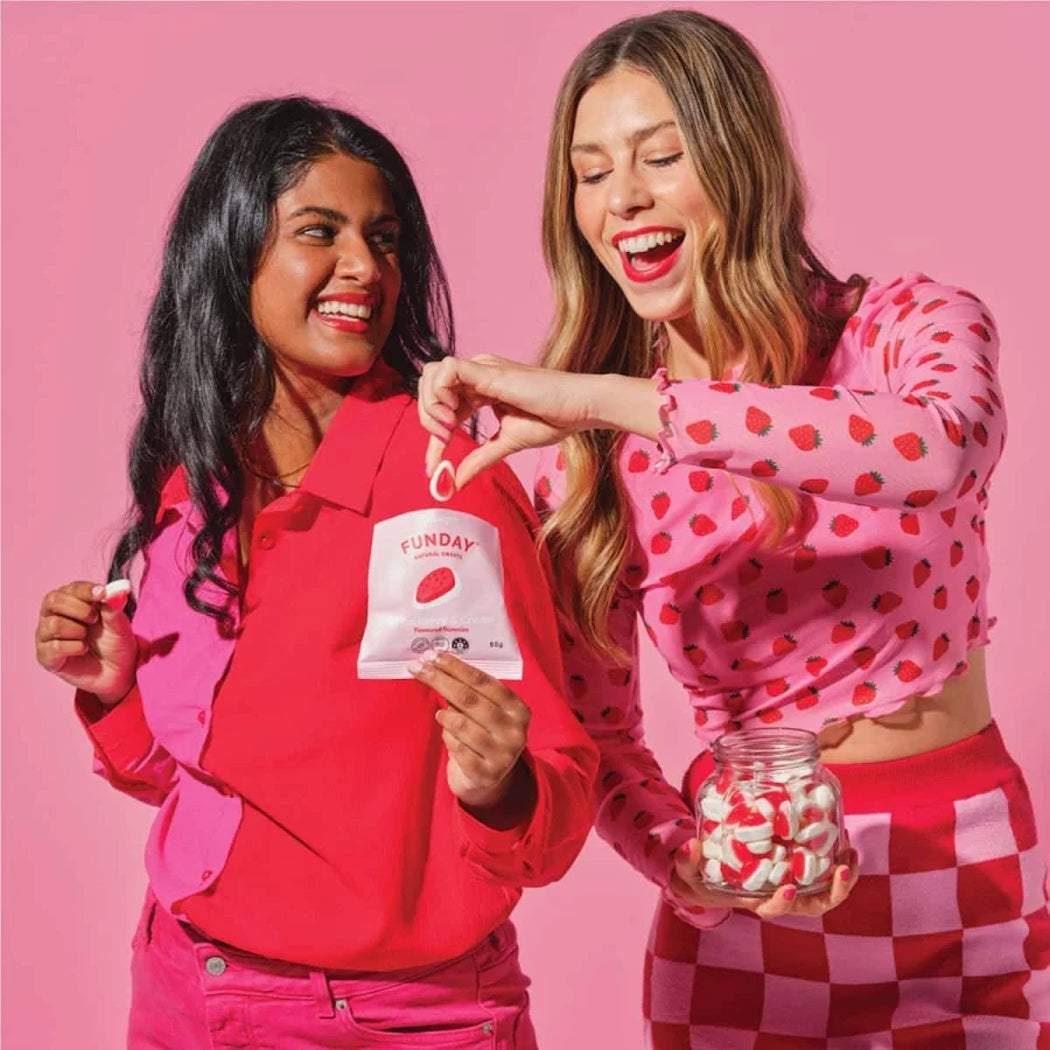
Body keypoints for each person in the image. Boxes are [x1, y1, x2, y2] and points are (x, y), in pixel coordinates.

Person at [417, 11, 1050, 1046]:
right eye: (589, 172)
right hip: (750, 922)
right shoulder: (599, 457)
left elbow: (938, 451)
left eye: (661, 157)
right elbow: (604, 736)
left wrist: (620, 401)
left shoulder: (905, 326)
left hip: (963, 885)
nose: (621, 198)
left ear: (741, 160)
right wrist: (685, 862)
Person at [33, 96, 597, 1049]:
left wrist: (503, 782)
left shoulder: (445, 485)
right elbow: (198, 786)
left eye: (383, 239)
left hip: (395, 1021)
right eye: (319, 232)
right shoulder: (199, 482)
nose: (366, 270)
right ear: (232, 252)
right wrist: (116, 688)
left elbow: (556, 797)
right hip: (184, 987)